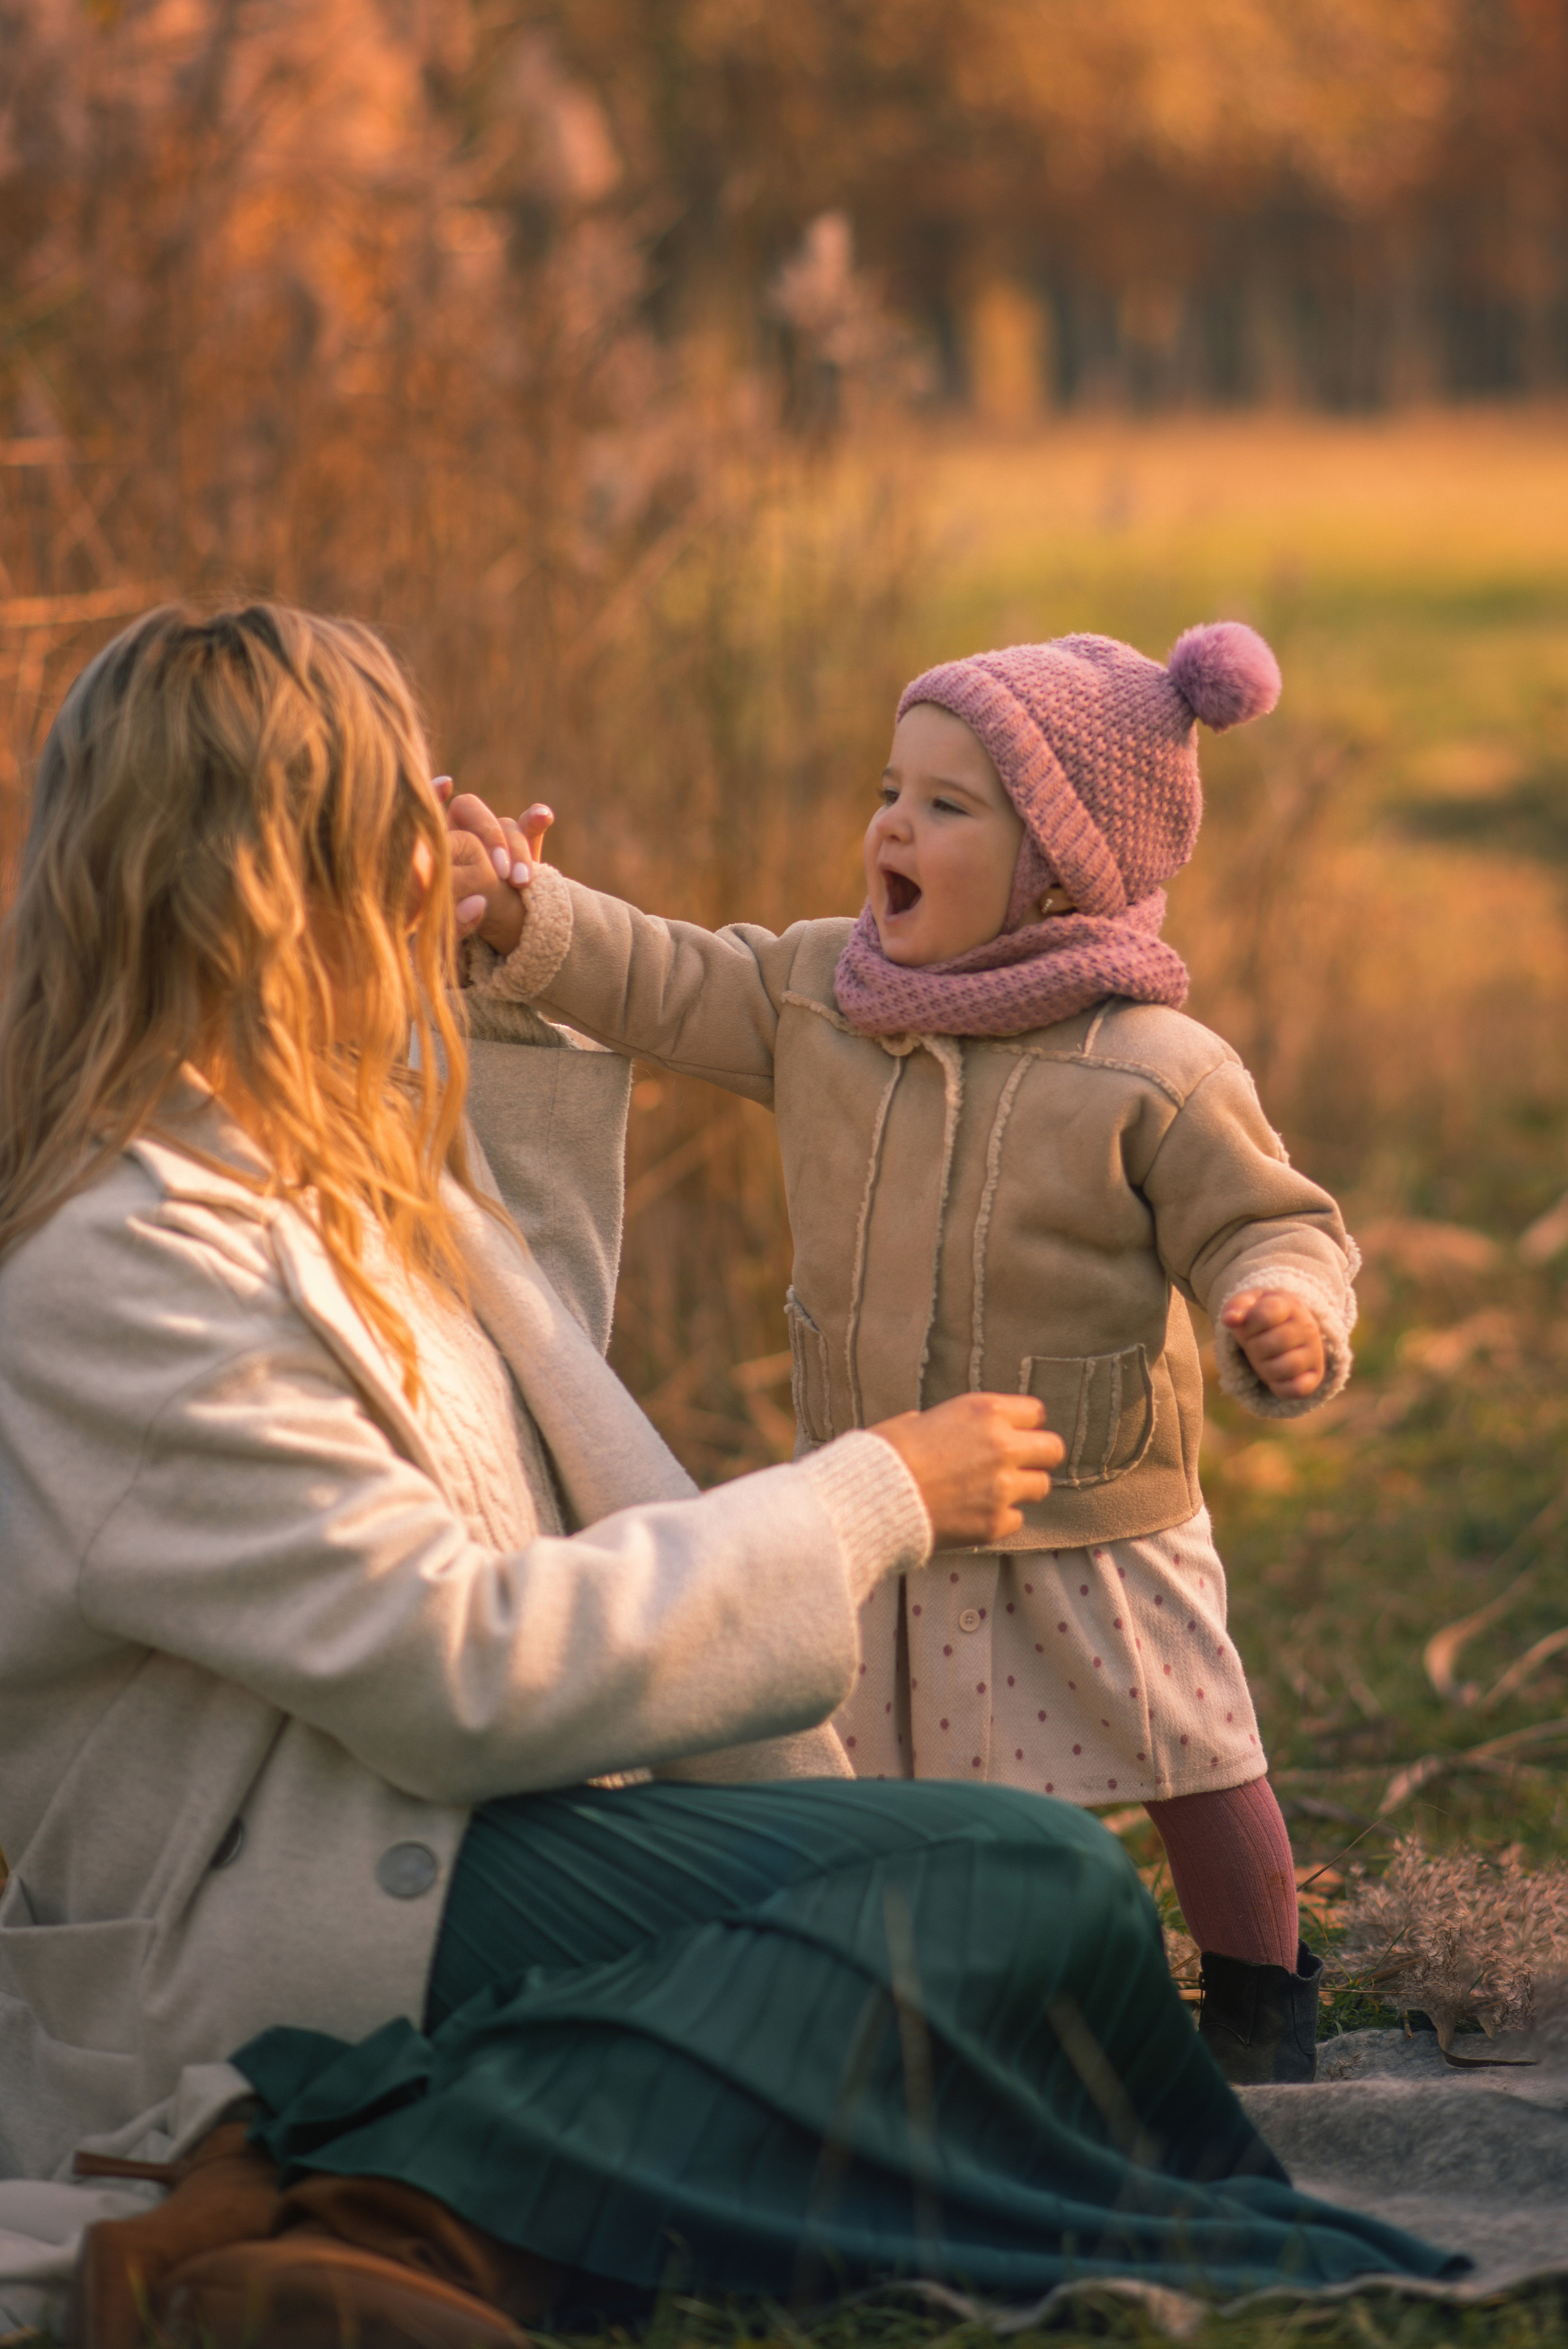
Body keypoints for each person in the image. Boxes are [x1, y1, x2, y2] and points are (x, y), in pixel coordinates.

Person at [0, 605, 1453, 2349]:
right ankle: (381, 2205)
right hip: (290, 1896)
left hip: (450, 1831)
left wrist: (500, 965)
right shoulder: (129, 1261)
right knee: (992, 1908)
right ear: (277, 882)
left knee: (1043, 1881)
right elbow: (460, 1668)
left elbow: (528, 1372)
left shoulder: (299, 1138)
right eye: (399, 816)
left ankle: (453, 2197)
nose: (437, 845)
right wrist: (873, 1493)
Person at [446, 621, 1352, 2091]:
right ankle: (897, 2009)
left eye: (945, 805)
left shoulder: (1152, 1066)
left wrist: (1282, 1307)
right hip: (882, 1493)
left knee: (1189, 1750)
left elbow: (1273, 1223)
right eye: (888, 790)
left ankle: (1258, 2008)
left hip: (1093, 1512)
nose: (890, 827)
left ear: (1056, 865)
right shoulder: (824, 996)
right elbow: (664, 975)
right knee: (854, 1764)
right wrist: (520, 914)